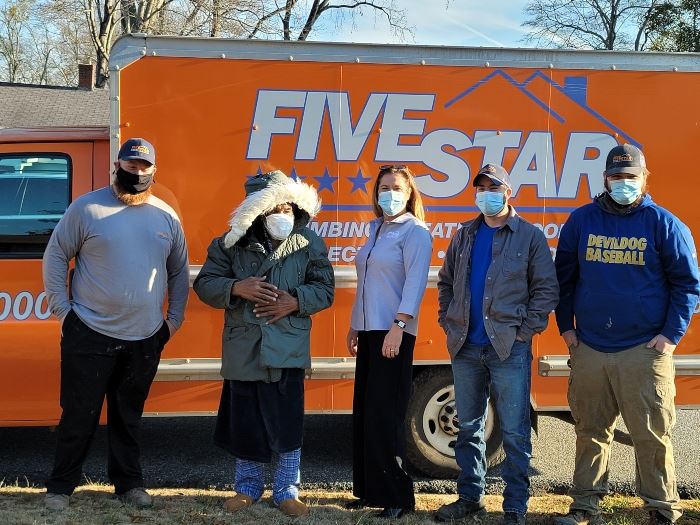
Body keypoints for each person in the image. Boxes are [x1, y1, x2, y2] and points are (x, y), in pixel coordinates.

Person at [553, 144, 700, 525]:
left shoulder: (664, 224)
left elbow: (687, 284)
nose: (624, 183)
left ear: (644, 178)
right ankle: (585, 506)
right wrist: (567, 329)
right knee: (590, 431)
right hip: (590, 349)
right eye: (617, 176)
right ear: (605, 178)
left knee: (651, 435)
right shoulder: (581, 221)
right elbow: (563, 279)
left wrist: (670, 335)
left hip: (644, 349)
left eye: (631, 176)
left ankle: (661, 508)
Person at [42, 138, 189, 511]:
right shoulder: (87, 208)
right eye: (130, 165)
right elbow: (56, 255)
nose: (136, 173)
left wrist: (172, 322)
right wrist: (64, 312)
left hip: (144, 336)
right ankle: (60, 488)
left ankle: (129, 486)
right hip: (89, 331)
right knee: (79, 414)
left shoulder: (166, 217)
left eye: (143, 167)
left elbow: (178, 272)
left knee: (129, 417)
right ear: (117, 165)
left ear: (154, 171)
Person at [193, 170, 334, 518]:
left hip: (287, 347)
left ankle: (287, 491)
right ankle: (248, 489)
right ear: (255, 211)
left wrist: (296, 300)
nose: (281, 215)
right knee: (247, 422)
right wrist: (236, 288)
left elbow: (326, 288)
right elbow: (205, 283)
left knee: (287, 423)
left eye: (287, 207)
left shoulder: (308, 242)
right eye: (274, 208)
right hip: (244, 347)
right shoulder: (229, 243)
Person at [435, 164, 559, 525]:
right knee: (469, 428)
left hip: (509, 348)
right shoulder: (465, 235)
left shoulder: (529, 237)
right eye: (481, 187)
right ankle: (470, 498)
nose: (486, 193)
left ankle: (515, 506)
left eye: (494, 187)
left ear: (509, 192)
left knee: (515, 430)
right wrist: (448, 320)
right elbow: (446, 283)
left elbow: (546, 290)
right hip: (466, 347)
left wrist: (525, 332)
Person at [345, 165, 432, 519]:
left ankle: (397, 497)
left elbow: (415, 284)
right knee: (366, 412)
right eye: (384, 186)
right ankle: (369, 491)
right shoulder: (375, 229)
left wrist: (399, 324)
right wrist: (354, 326)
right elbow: (365, 283)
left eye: (397, 187)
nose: (389, 193)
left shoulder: (415, 232)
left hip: (393, 331)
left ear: (410, 193)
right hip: (369, 331)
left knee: (387, 414)